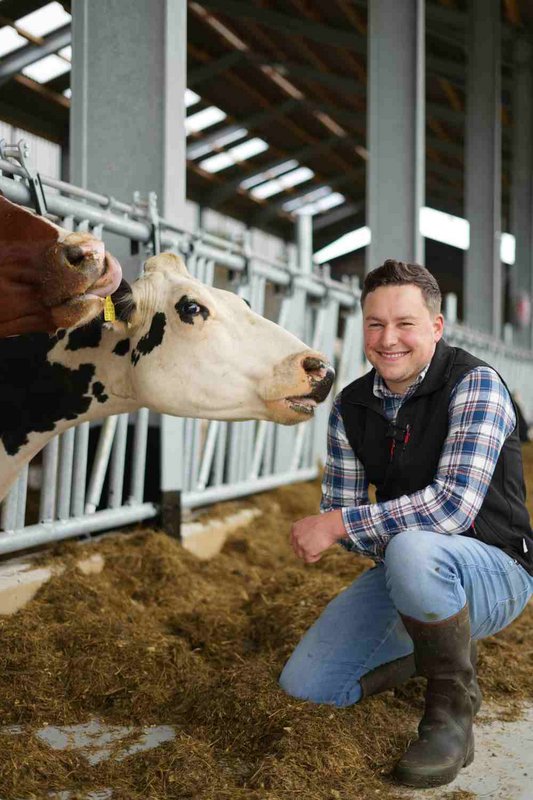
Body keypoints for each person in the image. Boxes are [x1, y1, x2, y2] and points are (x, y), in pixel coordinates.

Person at [280, 259, 533, 789]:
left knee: (417, 548)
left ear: (436, 328)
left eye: (405, 324)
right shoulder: (350, 406)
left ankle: (450, 715)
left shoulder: (476, 385)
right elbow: (346, 518)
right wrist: (349, 527)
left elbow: (451, 510)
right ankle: (439, 649)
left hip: (497, 571)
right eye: (375, 324)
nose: (388, 339)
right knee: (309, 686)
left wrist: (340, 524)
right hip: (407, 569)